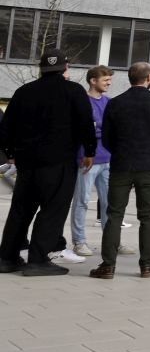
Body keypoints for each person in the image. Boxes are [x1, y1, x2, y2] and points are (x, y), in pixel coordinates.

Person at [0, 49, 98, 276]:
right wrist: (89, 151)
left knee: (21, 210)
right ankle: (38, 259)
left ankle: (7, 257)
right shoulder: (73, 91)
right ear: (65, 67)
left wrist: (11, 152)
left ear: (41, 68)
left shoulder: (24, 91)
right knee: (52, 209)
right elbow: (85, 123)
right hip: (59, 161)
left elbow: (6, 128)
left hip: (27, 163)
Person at [90, 62, 150, 279]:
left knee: (114, 214)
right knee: (148, 216)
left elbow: (107, 138)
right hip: (149, 166)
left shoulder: (115, 103)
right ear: (149, 78)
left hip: (121, 165)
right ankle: (147, 266)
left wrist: (120, 152)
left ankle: (108, 266)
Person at [67, 64, 116, 261]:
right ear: (93, 81)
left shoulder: (109, 102)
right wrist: (97, 130)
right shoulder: (82, 102)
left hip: (108, 158)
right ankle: (79, 241)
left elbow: (110, 128)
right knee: (82, 201)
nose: (109, 83)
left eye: (110, 80)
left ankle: (111, 240)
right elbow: (82, 129)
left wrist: (98, 129)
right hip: (86, 158)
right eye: (105, 80)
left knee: (109, 202)